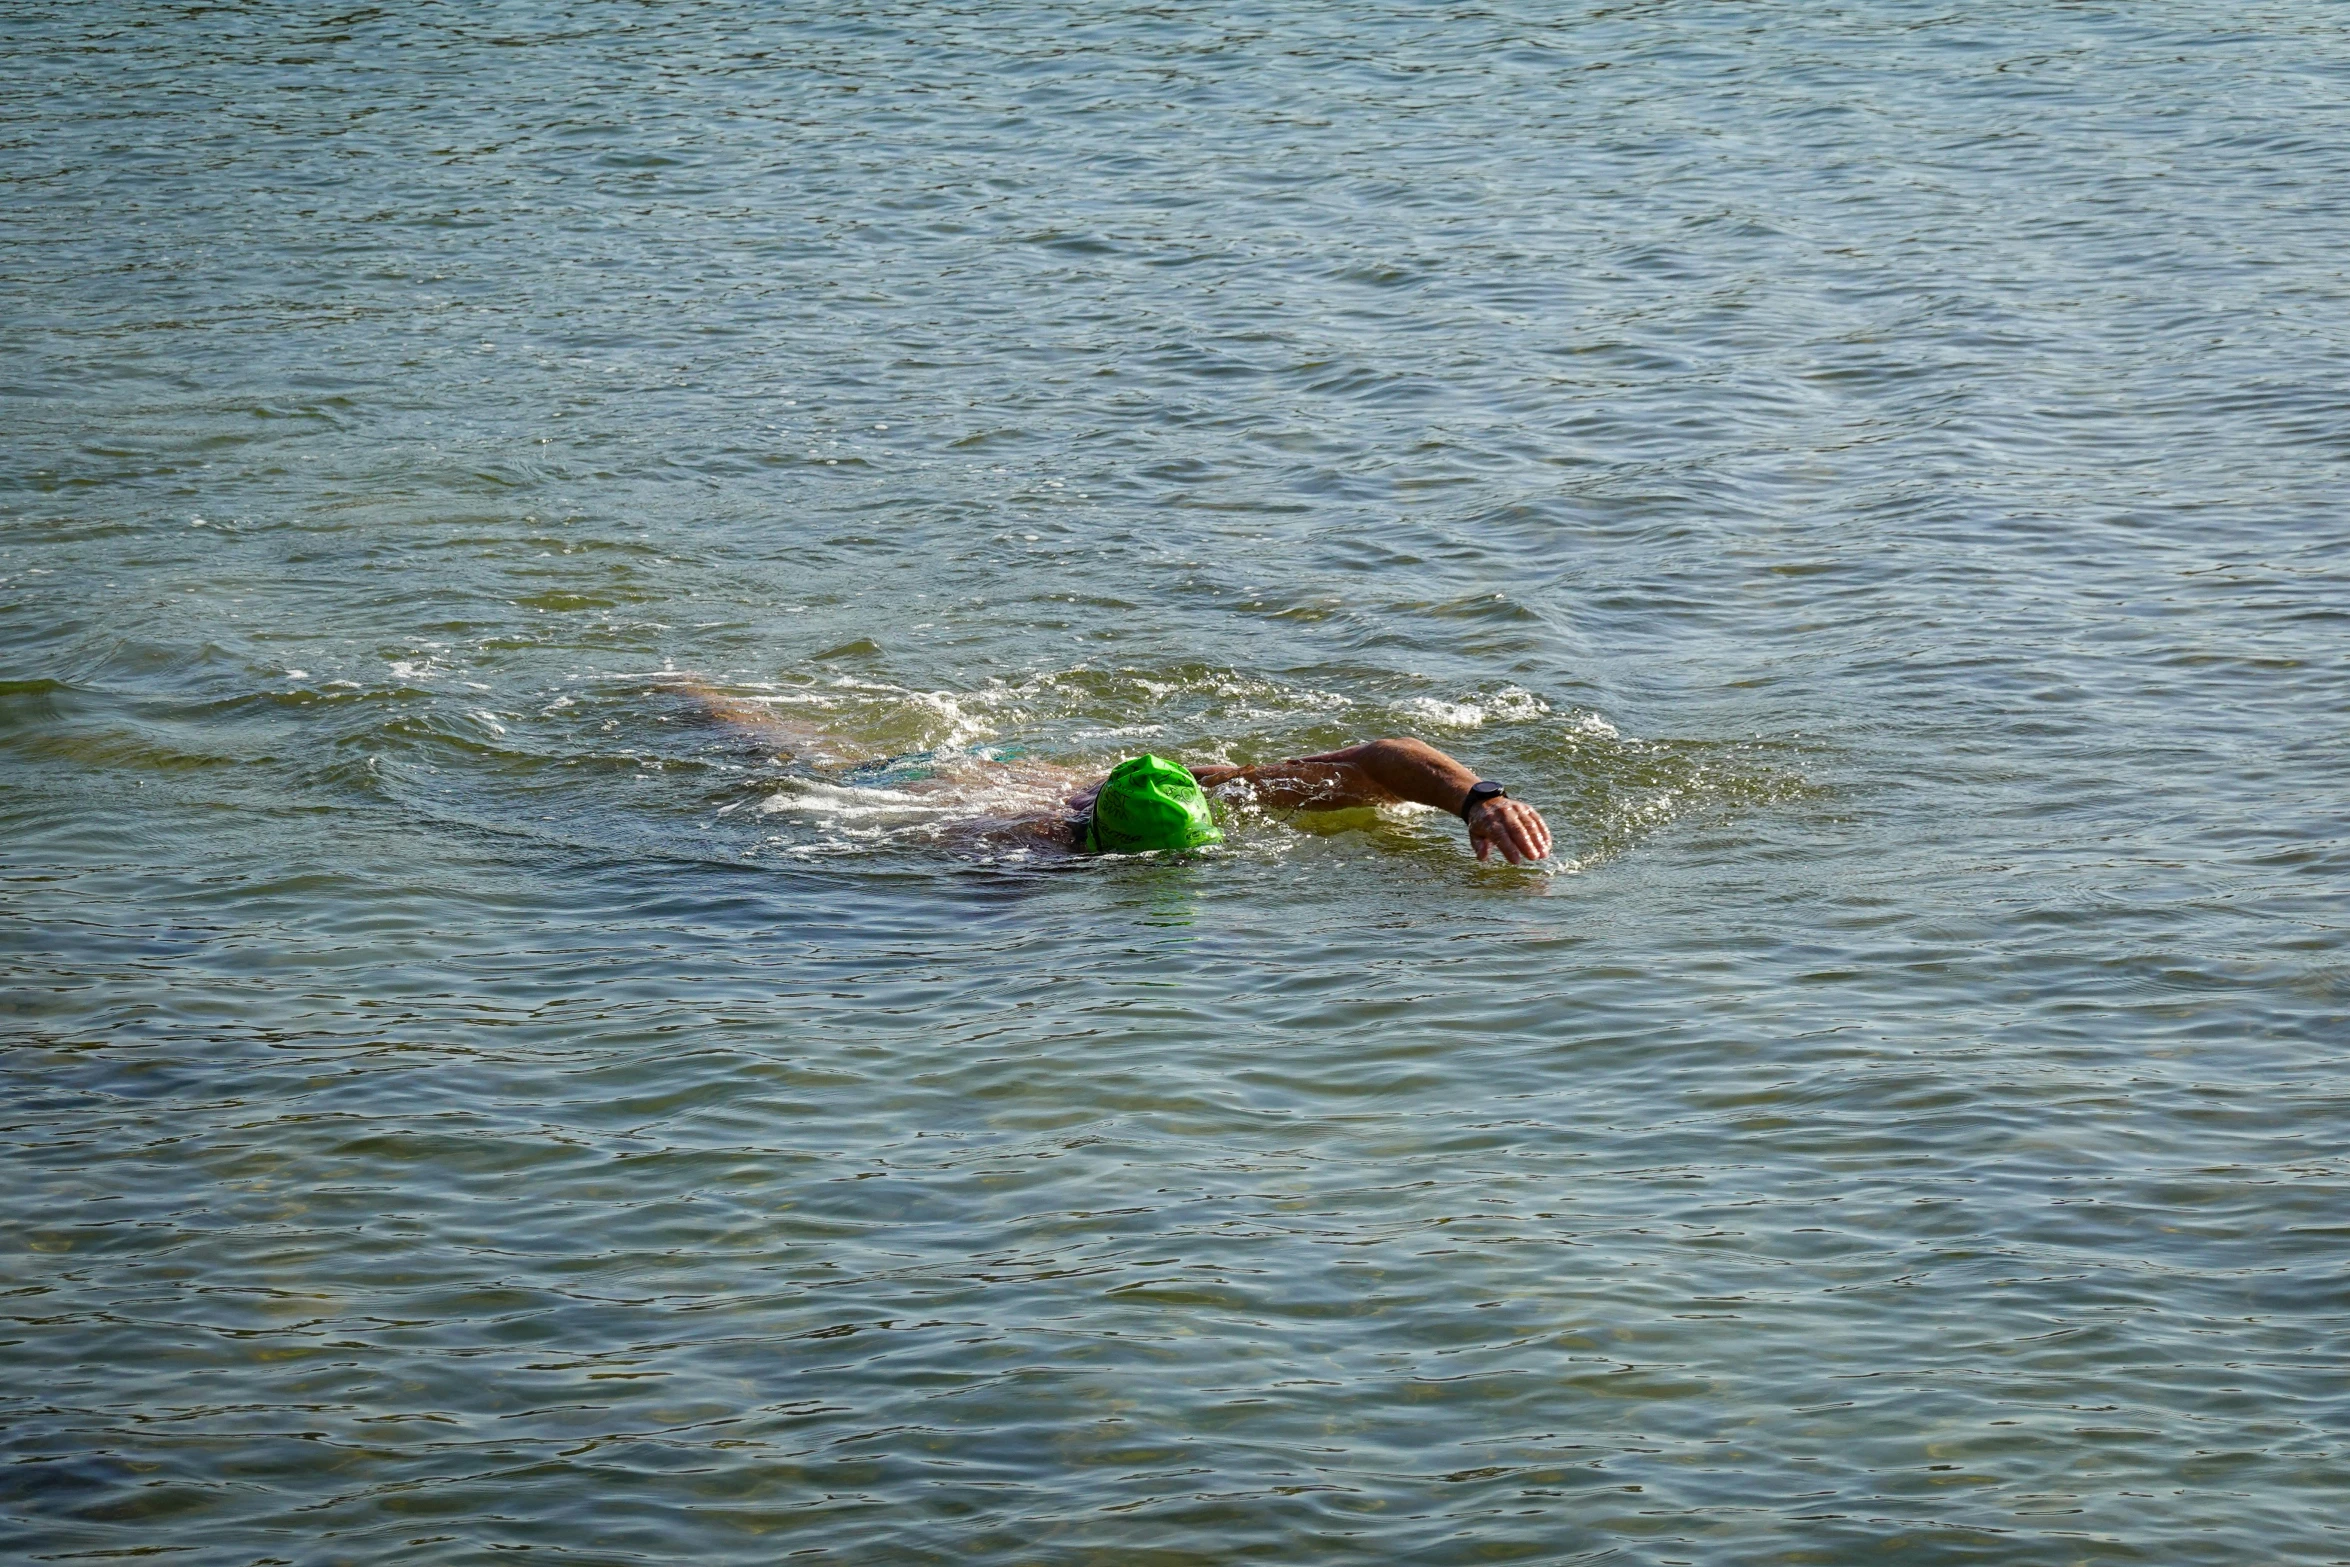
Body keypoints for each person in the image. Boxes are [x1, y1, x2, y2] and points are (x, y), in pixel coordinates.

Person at [676, 681, 1554, 864]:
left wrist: (1478, 797)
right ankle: (684, 689)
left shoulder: (1210, 785)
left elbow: (1375, 758)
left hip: (1013, 767)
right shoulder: (1022, 847)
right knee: (782, 752)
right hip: (898, 787)